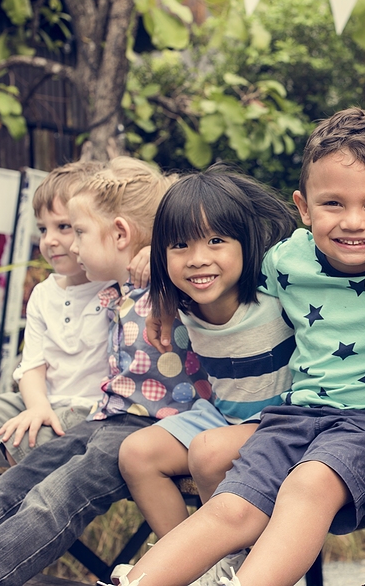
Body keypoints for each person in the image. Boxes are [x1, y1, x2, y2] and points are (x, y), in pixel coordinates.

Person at [115, 107, 365, 586]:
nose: (353, 222)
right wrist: (163, 292)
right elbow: (214, 273)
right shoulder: (286, 260)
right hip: (295, 416)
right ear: (303, 207)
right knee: (233, 505)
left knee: (308, 483)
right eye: (333, 204)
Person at [0, 157, 207, 586]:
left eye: (77, 232)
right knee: (10, 488)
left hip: (151, 428)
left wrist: (155, 257)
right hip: (106, 418)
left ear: (120, 233)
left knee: (52, 497)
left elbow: (207, 258)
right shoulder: (112, 286)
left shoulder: (172, 280)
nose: (72, 246)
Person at [115, 166, 297, 581]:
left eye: (216, 240)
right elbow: (157, 270)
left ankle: (237, 560)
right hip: (226, 415)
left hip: (287, 421)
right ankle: (195, 564)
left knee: (209, 451)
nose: (198, 259)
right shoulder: (181, 298)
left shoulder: (275, 288)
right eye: (180, 245)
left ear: (245, 242)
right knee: (136, 454)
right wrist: (159, 288)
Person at [0, 161, 111, 510]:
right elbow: (32, 366)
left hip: (93, 413)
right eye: (43, 229)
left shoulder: (119, 287)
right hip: (44, 403)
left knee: (27, 436)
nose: (51, 240)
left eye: (65, 227)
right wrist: (38, 406)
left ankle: (7, 538)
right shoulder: (44, 294)